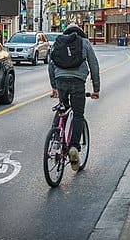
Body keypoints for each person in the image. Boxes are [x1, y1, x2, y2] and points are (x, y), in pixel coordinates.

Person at [49, 23, 100, 171]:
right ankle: (73, 147)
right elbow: (94, 65)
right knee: (78, 114)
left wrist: (54, 86)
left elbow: (51, 64)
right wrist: (96, 89)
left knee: (61, 110)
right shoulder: (84, 43)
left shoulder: (58, 42)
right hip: (78, 82)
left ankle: (56, 141)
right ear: (81, 32)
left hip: (60, 81)